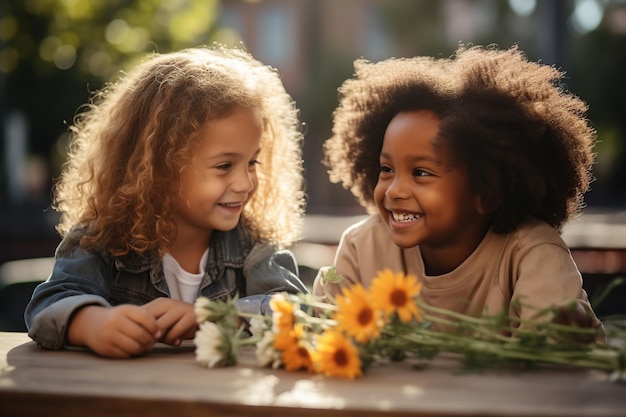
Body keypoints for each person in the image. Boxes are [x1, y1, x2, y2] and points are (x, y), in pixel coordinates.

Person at [25, 45, 309, 358]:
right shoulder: (103, 238)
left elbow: (294, 311)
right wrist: (93, 323)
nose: (245, 183)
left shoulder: (255, 244)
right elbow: (46, 307)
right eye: (224, 166)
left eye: (252, 162)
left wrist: (215, 317)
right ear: (161, 167)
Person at [316, 44, 603, 337]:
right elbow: (326, 336)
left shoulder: (532, 255)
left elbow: (549, 365)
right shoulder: (361, 248)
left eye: (421, 173)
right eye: (386, 169)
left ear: (486, 191)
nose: (394, 191)